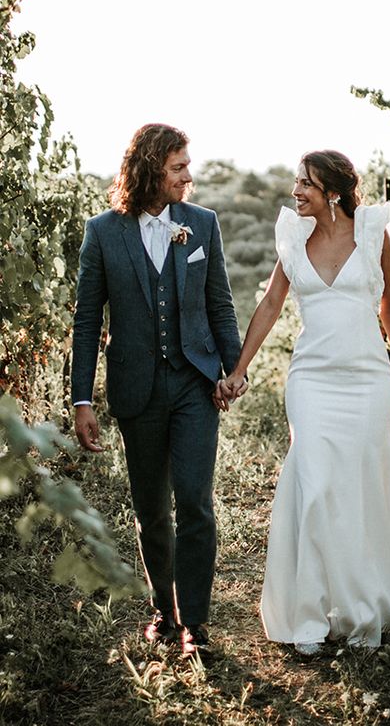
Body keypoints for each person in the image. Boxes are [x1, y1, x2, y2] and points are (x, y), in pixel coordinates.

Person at [220, 149, 390, 655]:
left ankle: (363, 608)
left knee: (360, 486)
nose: (296, 191)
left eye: (306, 184)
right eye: (296, 182)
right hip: (312, 380)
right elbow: (271, 303)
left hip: (366, 380)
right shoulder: (292, 237)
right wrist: (239, 368)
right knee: (314, 487)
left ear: (332, 192)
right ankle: (312, 615)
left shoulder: (372, 232)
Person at [71, 124, 244, 655]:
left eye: (187, 166)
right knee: (151, 509)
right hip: (136, 390)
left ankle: (194, 624)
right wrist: (81, 399)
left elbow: (220, 304)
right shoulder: (103, 232)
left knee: (194, 502)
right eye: (177, 168)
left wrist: (232, 369)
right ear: (149, 169)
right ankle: (162, 613)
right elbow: (85, 320)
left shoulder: (202, 224)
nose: (188, 177)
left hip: (194, 383)